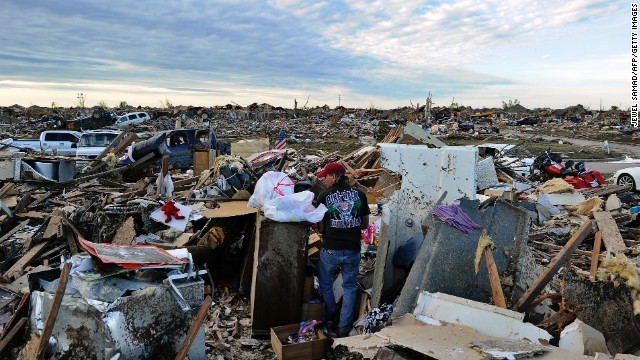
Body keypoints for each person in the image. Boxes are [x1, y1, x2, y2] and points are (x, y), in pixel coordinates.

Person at [313, 162, 370, 337]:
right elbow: (365, 224)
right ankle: (344, 327)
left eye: (326, 177)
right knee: (350, 287)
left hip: (331, 250)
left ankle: (331, 317)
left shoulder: (324, 195)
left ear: (334, 176)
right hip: (352, 249)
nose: (324, 180)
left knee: (325, 283)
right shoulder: (360, 194)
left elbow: (321, 228)